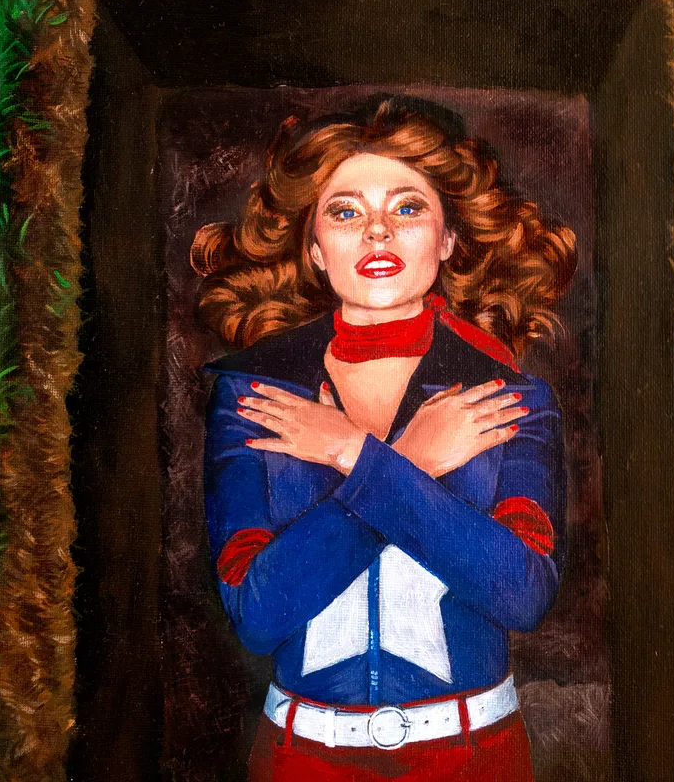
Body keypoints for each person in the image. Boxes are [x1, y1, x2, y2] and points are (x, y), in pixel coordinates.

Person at [192, 95, 577, 781]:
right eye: (345, 212)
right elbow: (257, 612)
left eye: (407, 208)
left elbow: (522, 594)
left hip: (475, 757)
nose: (377, 232)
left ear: (448, 238)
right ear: (314, 247)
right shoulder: (252, 396)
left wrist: (353, 454)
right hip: (299, 759)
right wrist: (410, 461)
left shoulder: (512, 397)